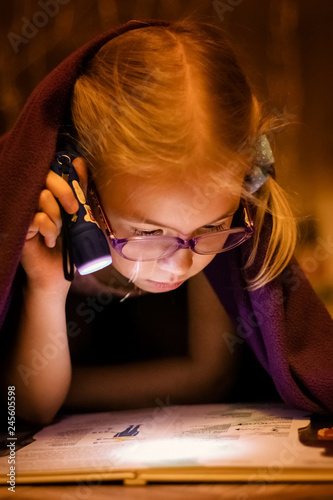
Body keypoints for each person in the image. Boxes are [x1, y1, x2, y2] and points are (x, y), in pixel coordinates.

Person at [0, 18, 332, 425]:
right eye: (148, 233)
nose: (179, 265)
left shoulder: (232, 241)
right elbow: (20, 416)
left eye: (212, 226)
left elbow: (209, 377)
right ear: (82, 187)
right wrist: (47, 289)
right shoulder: (33, 228)